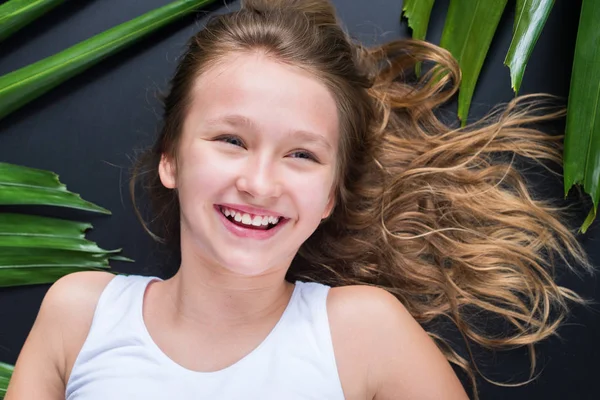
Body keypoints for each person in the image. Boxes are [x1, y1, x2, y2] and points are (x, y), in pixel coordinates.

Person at [5, 0, 592, 399]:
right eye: (231, 140)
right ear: (171, 159)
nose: (260, 184)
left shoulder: (364, 333)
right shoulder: (79, 314)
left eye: (302, 155)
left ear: (331, 195)